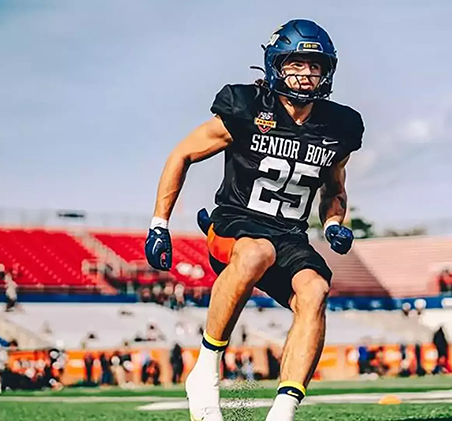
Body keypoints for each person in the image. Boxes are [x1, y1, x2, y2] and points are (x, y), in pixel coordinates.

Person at [144, 19, 363, 421]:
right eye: (296, 64)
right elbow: (182, 155)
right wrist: (160, 222)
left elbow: (334, 187)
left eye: (315, 66)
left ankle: (283, 411)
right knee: (256, 253)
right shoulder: (246, 107)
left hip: (290, 234)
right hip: (236, 223)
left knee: (315, 290)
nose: (306, 74)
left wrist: (333, 222)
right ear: (276, 65)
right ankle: (206, 369)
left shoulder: (339, 127)